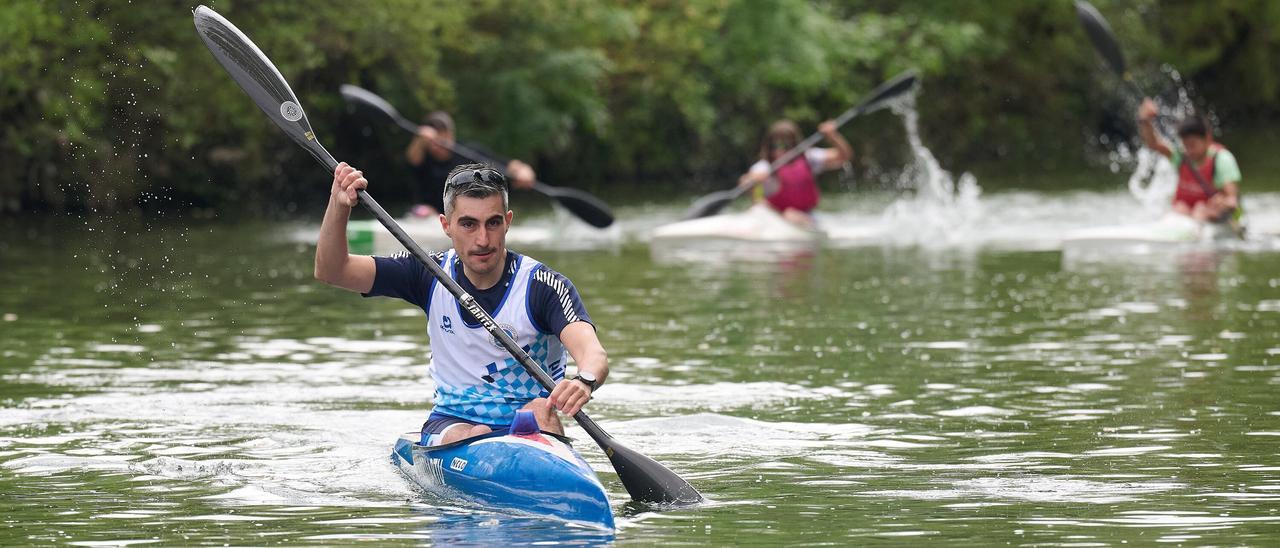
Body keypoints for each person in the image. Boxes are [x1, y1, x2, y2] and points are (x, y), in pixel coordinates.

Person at [315, 161, 608, 445]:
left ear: (507, 222)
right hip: (454, 422)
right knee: (475, 432)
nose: (483, 239)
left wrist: (584, 381)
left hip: (531, 422)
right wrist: (339, 205)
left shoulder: (542, 286)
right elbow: (332, 271)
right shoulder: (427, 272)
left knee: (536, 413)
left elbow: (593, 354)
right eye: (468, 224)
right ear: (446, 225)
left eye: (493, 223)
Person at [405, 111, 537, 216]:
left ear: (451, 134)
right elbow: (412, 160)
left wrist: (523, 170)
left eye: (443, 132)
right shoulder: (422, 156)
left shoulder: (467, 152)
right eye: (435, 136)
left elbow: (507, 164)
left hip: (465, 214)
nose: (439, 141)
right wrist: (420, 140)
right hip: (429, 215)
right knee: (420, 211)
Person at [1137, 98, 1242, 229]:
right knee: (1179, 208)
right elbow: (1153, 144)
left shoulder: (1222, 159)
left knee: (1200, 209)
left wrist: (1222, 203)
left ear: (1207, 138)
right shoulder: (1181, 157)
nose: (1189, 150)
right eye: (1186, 145)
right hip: (1187, 212)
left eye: (1193, 145)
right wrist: (1145, 120)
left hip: (1214, 215)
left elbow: (1232, 201)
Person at [736, 119, 853, 227]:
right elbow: (746, 183)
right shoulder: (763, 167)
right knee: (759, 209)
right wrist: (752, 180)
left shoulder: (810, 158)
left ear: (795, 145)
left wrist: (833, 136)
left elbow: (844, 156)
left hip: (804, 216)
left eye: (785, 146)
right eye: (775, 146)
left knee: (790, 215)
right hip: (772, 215)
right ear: (769, 146)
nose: (779, 150)